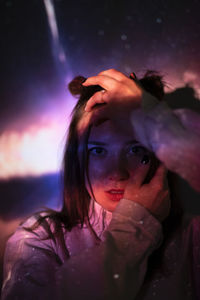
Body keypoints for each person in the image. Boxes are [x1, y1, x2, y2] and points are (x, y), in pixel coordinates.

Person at [1, 69, 200, 300]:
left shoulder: (191, 237)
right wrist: (134, 228)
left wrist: (158, 122)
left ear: (161, 153)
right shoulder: (41, 238)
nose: (117, 173)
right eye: (97, 150)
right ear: (77, 159)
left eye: (136, 149)